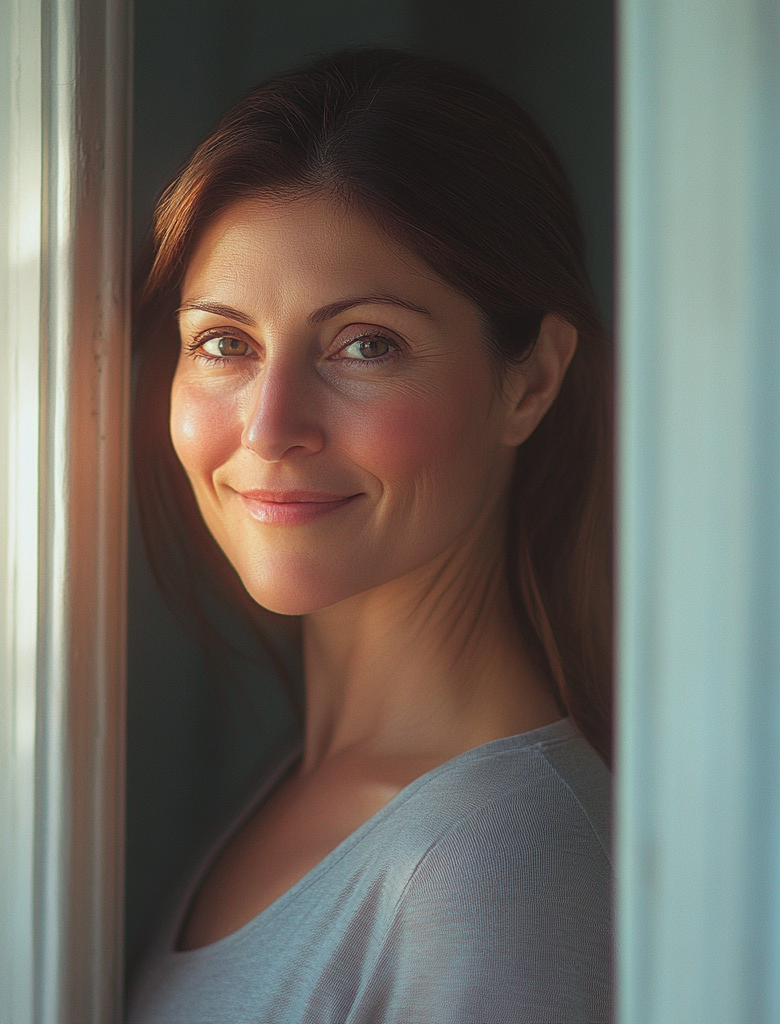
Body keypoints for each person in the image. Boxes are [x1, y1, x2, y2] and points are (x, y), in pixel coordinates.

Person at [127, 48, 613, 1024]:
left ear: (530, 381)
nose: (269, 427)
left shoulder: (495, 864)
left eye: (365, 345)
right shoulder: (307, 778)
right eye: (225, 342)